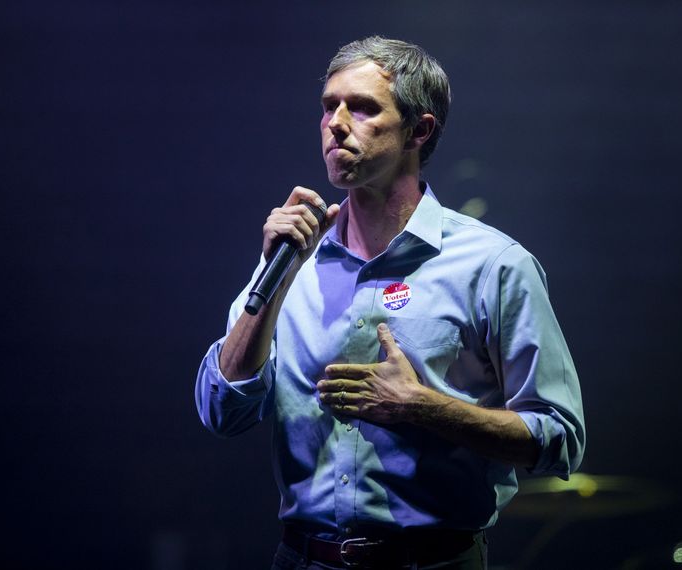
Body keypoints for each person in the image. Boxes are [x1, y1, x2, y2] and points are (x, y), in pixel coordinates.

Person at [196, 36, 585, 569]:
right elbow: (222, 410)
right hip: (303, 559)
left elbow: (560, 439)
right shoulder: (294, 256)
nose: (335, 123)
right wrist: (276, 275)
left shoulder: (494, 265)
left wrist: (422, 406)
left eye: (361, 107)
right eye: (328, 106)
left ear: (418, 131)